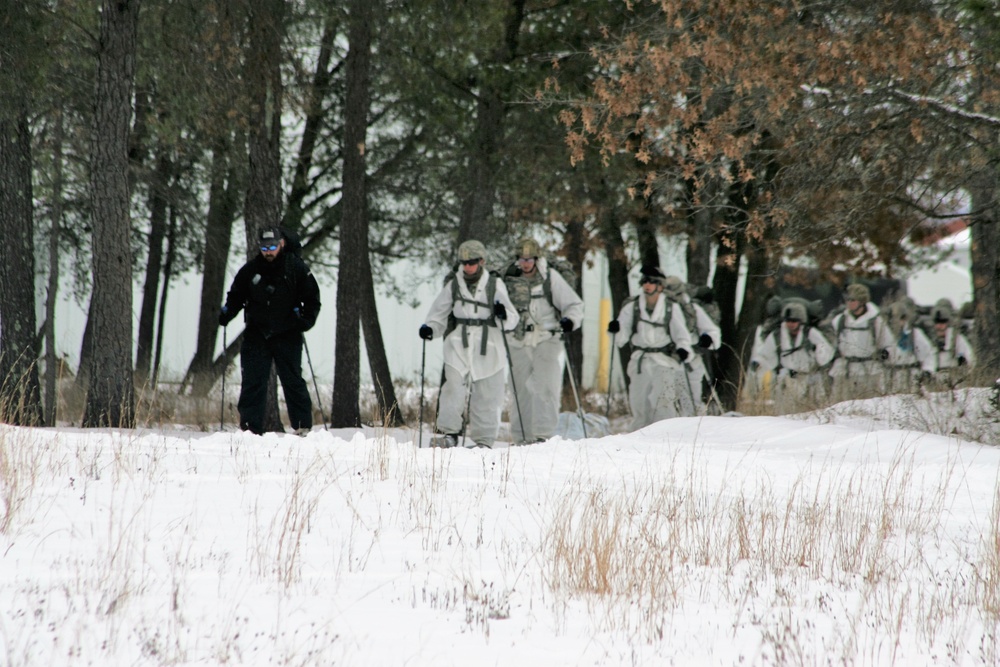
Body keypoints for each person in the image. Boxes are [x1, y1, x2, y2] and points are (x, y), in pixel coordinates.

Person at [219, 227, 322, 435]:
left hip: (288, 333)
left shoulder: (295, 268)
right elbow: (236, 295)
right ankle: (249, 429)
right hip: (257, 333)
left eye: (272, 247)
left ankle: (303, 427)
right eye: (264, 247)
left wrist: (304, 320)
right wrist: (227, 313)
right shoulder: (250, 270)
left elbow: (313, 299)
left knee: (292, 380)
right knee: (253, 381)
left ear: (281, 244)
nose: (268, 252)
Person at [419, 240, 520, 449]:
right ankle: (448, 434)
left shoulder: (494, 284)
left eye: (472, 262)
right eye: (464, 262)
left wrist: (503, 315)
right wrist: (430, 328)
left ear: (481, 261)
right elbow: (439, 313)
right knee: (453, 388)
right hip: (459, 342)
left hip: (489, 343)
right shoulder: (454, 284)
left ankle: (484, 440)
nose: (467, 267)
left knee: (488, 392)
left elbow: (512, 318)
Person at [501, 237, 584, 444]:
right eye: (522, 259)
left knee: (546, 386)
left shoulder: (550, 278)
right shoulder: (508, 279)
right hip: (518, 339)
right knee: (520, 388)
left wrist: (570, 320)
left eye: (530, 259)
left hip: (547, 337)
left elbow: (573, 304)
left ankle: (542, 437)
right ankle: (522, 437)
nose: (526, 263)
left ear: (537, 259)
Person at [608, 266, 694, 431]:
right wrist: (615, 329)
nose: (647, 285)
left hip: (664, 360)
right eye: (644, 281)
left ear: (660, 286)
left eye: (652, 282)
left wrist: (683, 349)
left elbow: (681, 334)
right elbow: (622, 336)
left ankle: (666, 436)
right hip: (640, 361)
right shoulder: (631, 307)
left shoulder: (671, 307)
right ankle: (638, 438)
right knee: (638, 402)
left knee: (663, 401)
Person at [751, 299, 835, 412]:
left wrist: (818, 350)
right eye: (788, 321)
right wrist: (758, 363)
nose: (790, 324)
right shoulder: (777, 335)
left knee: (810, 411)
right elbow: (766, 354)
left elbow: (825, 351)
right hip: (787, 380)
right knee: (785, 412)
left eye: (794, 321)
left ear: (801, 321)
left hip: (810, 380)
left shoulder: (810, 333)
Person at [661, 275, 721, 415]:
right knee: (665, 402)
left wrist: (707, 339)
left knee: (690, 401)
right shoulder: (658, 308)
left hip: (690, 360)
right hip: (664, 360)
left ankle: (695, 431)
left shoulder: (691, 308)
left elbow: (711, 330)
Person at [828, 283, 895, 401]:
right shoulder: (840, 320)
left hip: (869, 371)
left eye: (853, 300)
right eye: (847, 299)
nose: (849, 303)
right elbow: (831, 344)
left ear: (862, 301)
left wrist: (886, 353)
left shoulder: (876, 321)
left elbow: (890, 344)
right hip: (844, 371)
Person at [882, 297, 935, 393]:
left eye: (897, 319)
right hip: (891, 381)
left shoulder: (914, 334)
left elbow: (929, 353)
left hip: (911, 379)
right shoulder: (884, 335)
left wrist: (927, 371)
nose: (894, 322)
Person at [928, 298, 975, 384]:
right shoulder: (931, 341)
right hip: (937, 384)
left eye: (942, 322)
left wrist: (964, 368)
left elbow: (971, 358)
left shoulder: (957, 339)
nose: (939, 326)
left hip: (956, 382)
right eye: (937, 322)